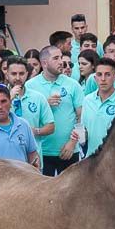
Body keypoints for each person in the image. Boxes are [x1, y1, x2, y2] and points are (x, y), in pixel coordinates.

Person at [25, 45, 84, 177]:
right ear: (44, 63)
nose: (61, 62)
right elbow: (26, 117)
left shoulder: (73, 85)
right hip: (41, 152)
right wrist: (45, 104)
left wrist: (73, 142)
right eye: (56, 58)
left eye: (61, 57)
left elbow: (82, 118)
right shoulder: (30, 86)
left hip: (69, 151)